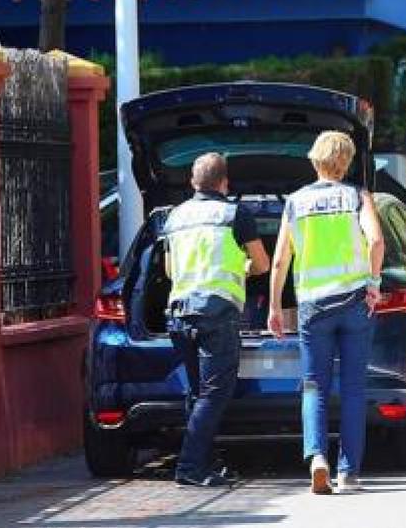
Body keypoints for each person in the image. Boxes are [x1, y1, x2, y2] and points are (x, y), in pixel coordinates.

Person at [268, 131, 386, 495]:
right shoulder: (356, 196)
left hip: (313, 306)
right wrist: (373, 282)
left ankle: (317, 457)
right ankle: (348, 472)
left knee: (314, 385)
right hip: (353, 302)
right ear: (346, 161)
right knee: (352, 388)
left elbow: (279, 260)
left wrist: (274, 307)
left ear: (314, 159)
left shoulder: (295, 203)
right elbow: (377, 241)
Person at [164, 152, 271, 487]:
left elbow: (169, 271)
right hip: (217, 313)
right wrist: (241, 269)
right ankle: (190, 467)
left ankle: (207, 463)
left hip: (180, 313)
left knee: (197, 394)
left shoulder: (174, 217)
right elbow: (262, 264)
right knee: (215, 394)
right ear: (225, 183)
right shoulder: (234, 214)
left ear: (192, 182)